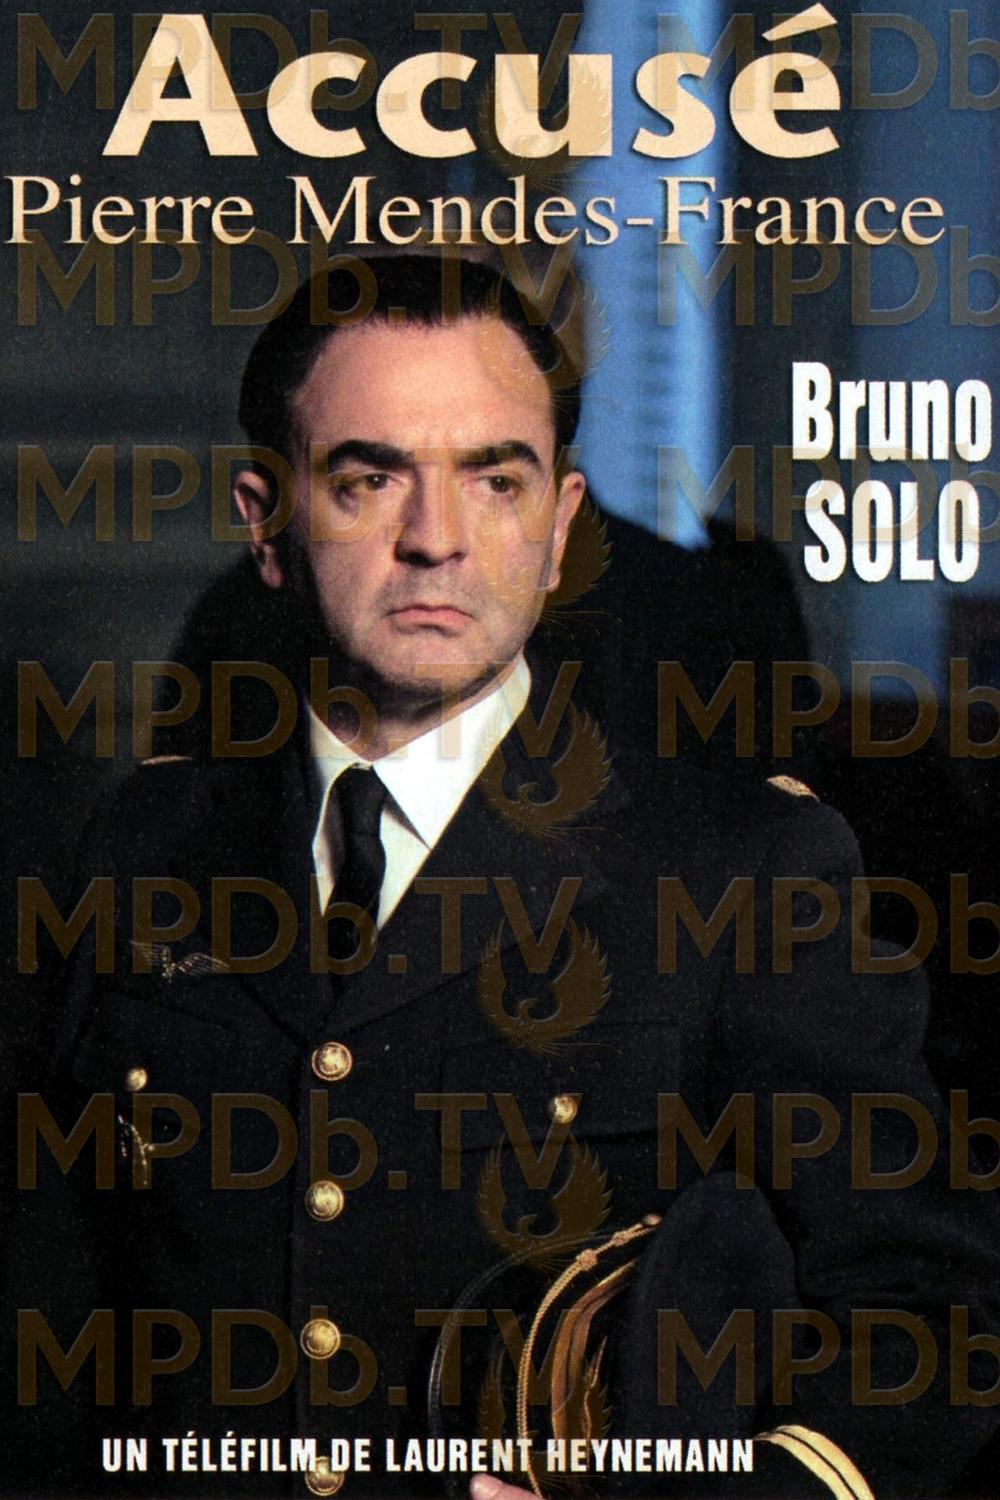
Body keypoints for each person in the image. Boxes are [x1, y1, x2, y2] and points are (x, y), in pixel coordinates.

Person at [10, 255, 1000, 1500]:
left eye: (495, 480)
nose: (436, 540)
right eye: (368, 480)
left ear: (559, 526)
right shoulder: (142, 849)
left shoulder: (742, 873)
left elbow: (925, 1329)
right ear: (264, 520)